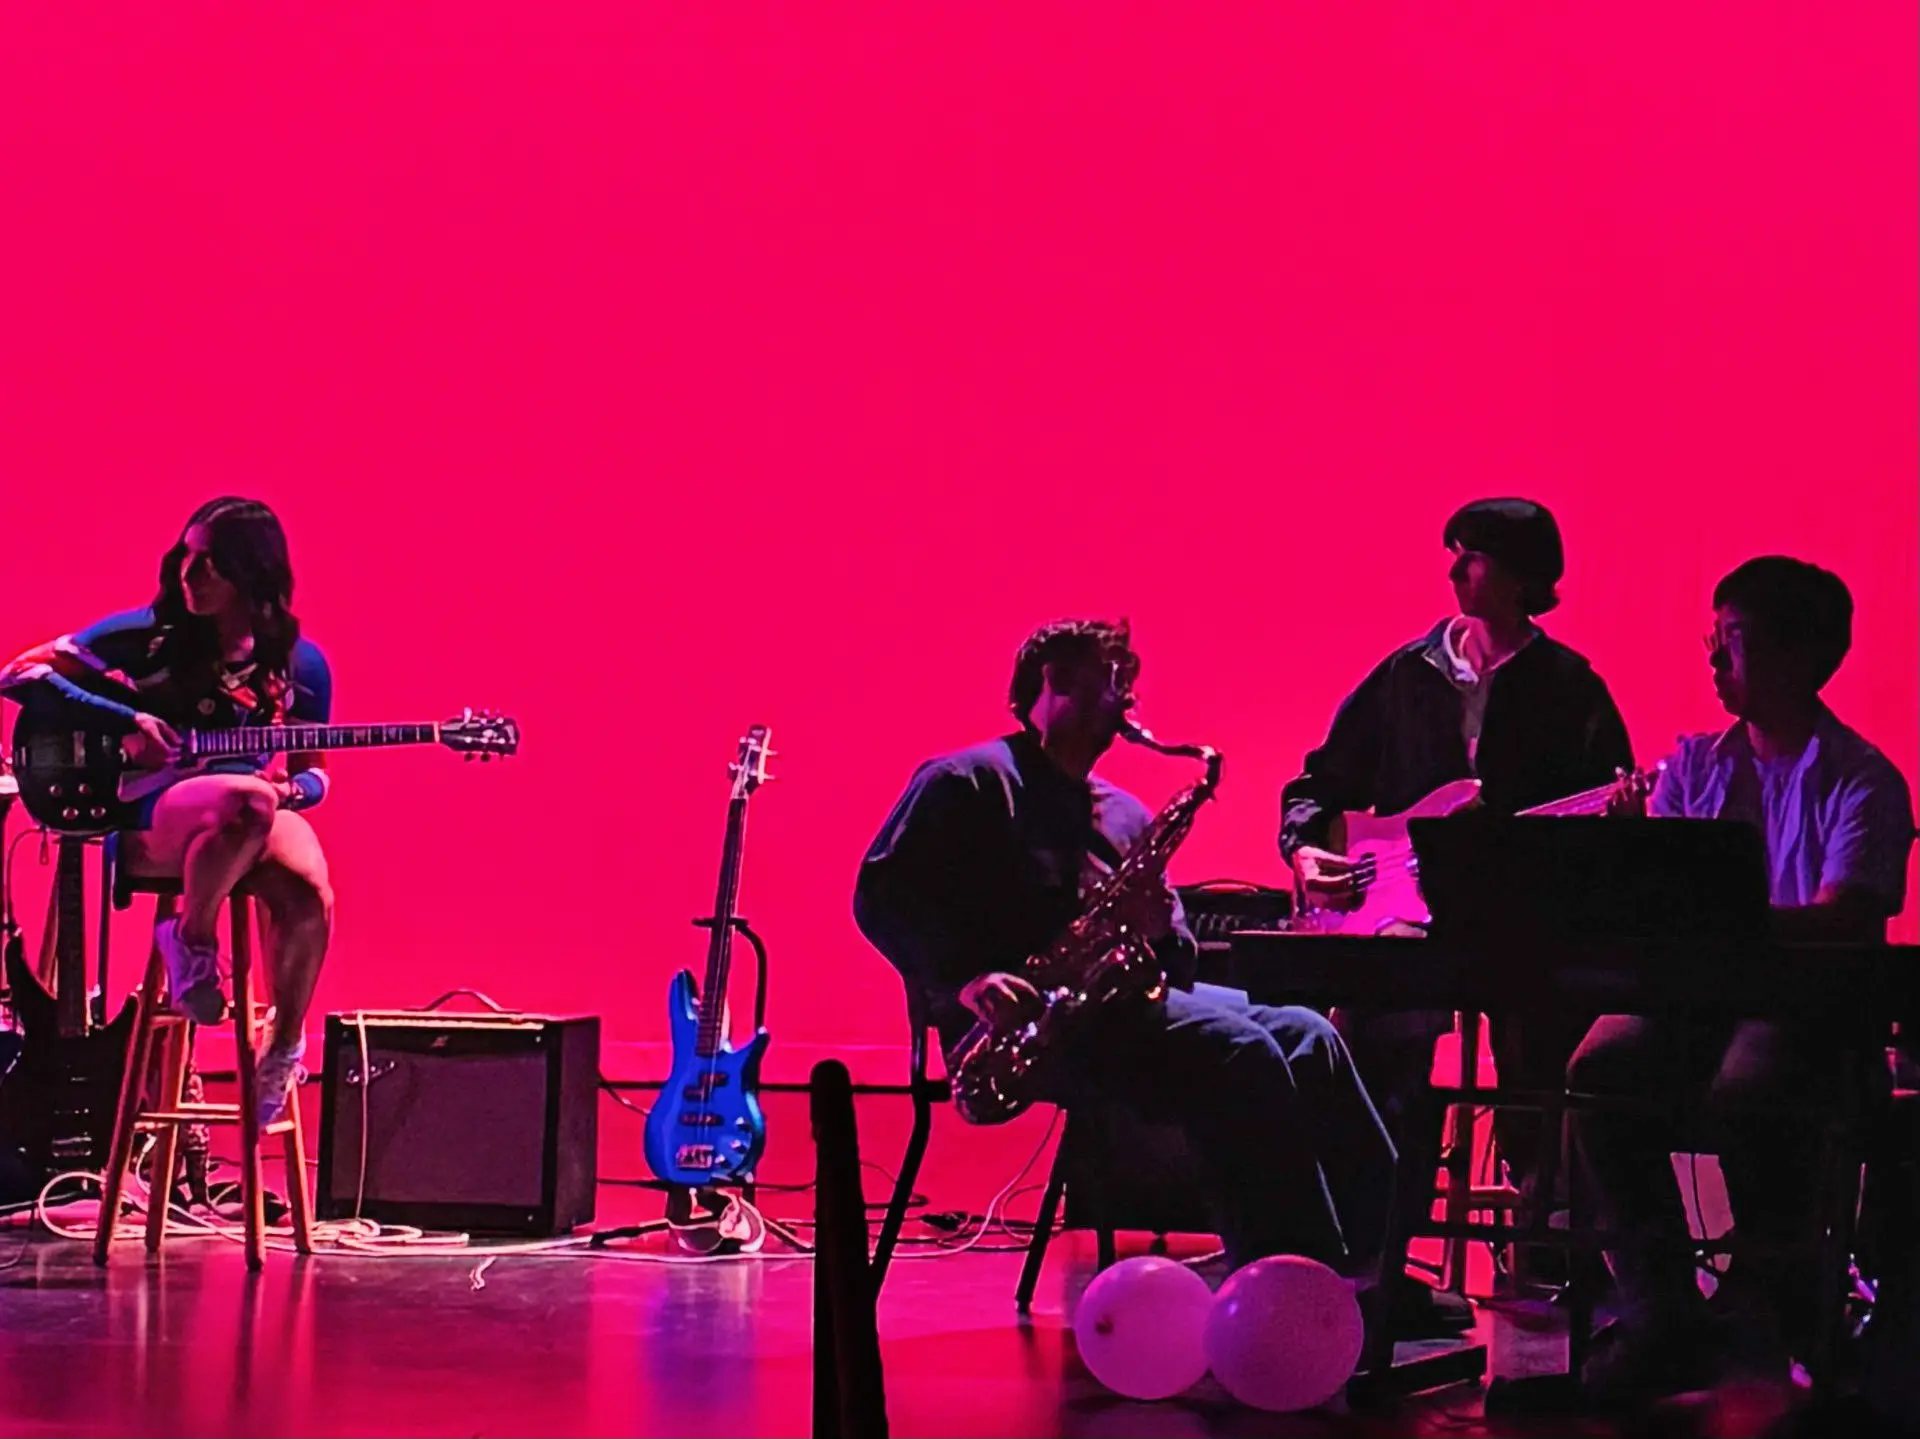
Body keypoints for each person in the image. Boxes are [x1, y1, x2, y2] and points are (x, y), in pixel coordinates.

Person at [854, 617, 1397, 1279]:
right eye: (1114, 682)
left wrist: (1160, 929)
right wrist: (968, 978)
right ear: (1055, 680)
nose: (1130, 702)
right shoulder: (966, 781)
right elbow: (882, 895)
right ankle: (1287, 1283)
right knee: (1244, 1049)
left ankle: (1371, 1269)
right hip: (1023, 1031)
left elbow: (1179, 967)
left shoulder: (1126, 813)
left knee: (1310, 1034)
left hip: (1117, 1010)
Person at [1569, 556, 1916, 1401]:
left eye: (1733, 639)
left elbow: (1843, 916)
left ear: (1802, 656)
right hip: (1695, 997)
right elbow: (1660, 898)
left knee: (1750, 1084)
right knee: (1598, 1067)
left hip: (1805, 1006)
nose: (1714, 658)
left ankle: (1776, 1295)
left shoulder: (1863, 778)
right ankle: (1662, 1309)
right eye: (1713, 638)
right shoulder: (1694, 764)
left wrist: (1730, 926)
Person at [1278, 498, 1635, 1310]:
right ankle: (1375, 1249)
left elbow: (1606, 822)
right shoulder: (1408, 672)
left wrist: (1612, 817)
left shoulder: (1570, 686)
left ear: (1522, 575)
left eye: (1473, 556)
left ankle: (1549, 1248)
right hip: (1406, 918)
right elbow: (1318, 782)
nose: (1454, 571)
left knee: (1546, 1051)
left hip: (1521, 926)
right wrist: (1305, 847)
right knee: (1380, 1046)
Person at [0, 497, 334, 1125]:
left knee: (311, 886)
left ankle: (284, 1042)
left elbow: (315, 774)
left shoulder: (299, 663)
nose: (189, 572)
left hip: (248, 813)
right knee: (248, 803)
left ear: (251, 571)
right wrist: (126, 719)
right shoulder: (147, 636)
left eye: (210, 562)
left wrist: (295, 792)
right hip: (156, 807)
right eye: (186, 554)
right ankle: (192, 942)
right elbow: (19, 674)